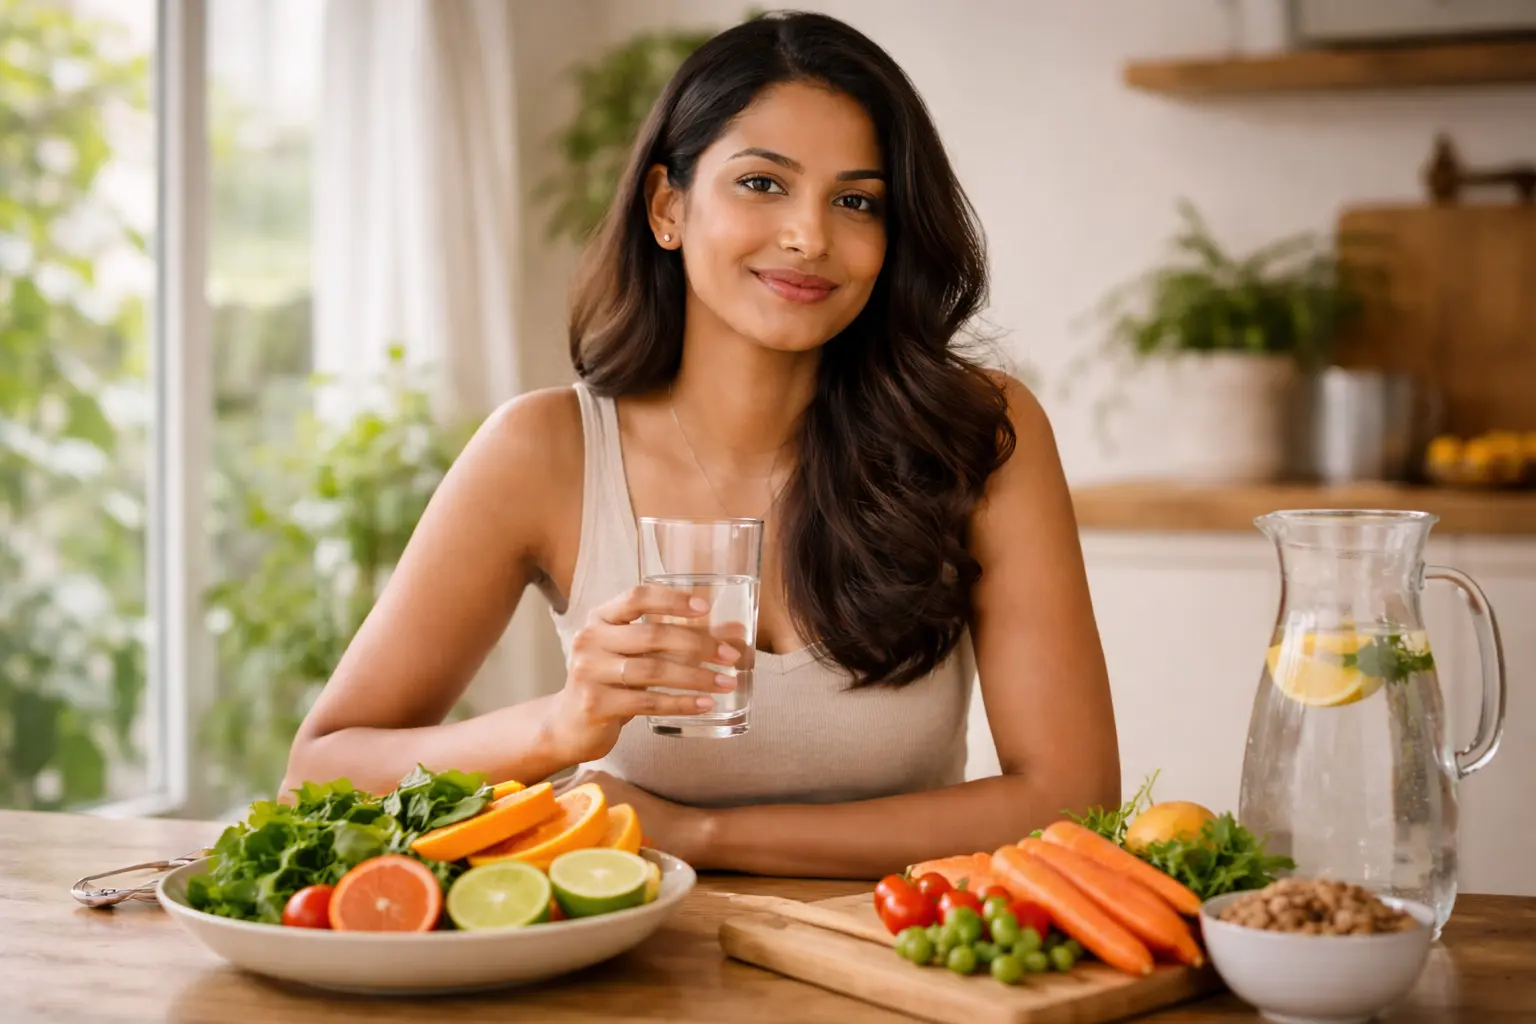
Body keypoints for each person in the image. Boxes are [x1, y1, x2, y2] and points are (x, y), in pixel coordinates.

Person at [282, 10, 1119, 879]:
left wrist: (704, 835)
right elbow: (319, 773)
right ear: (667, 206)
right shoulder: (543, 451)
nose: (809, 236)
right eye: (763, 184)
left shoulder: (976, 434)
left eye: (856, 201)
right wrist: (563, 725)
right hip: (626, 975)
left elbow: (1071, 796)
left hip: (899, 969)